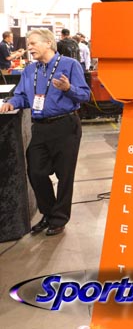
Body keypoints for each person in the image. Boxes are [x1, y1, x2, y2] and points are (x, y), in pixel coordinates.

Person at [0, 28, 91, 236]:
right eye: (29, 44)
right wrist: (12, 102)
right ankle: (48, 213)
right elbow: (22, 95)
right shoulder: (30, 70)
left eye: (33, 43)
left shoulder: (70, 65)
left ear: (48, 43)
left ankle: (59, 219)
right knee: (36, 171)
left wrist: (68, 88)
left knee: (65, 175)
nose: (29, 47)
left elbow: (85, 95)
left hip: (65, 126)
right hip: (40, 127)